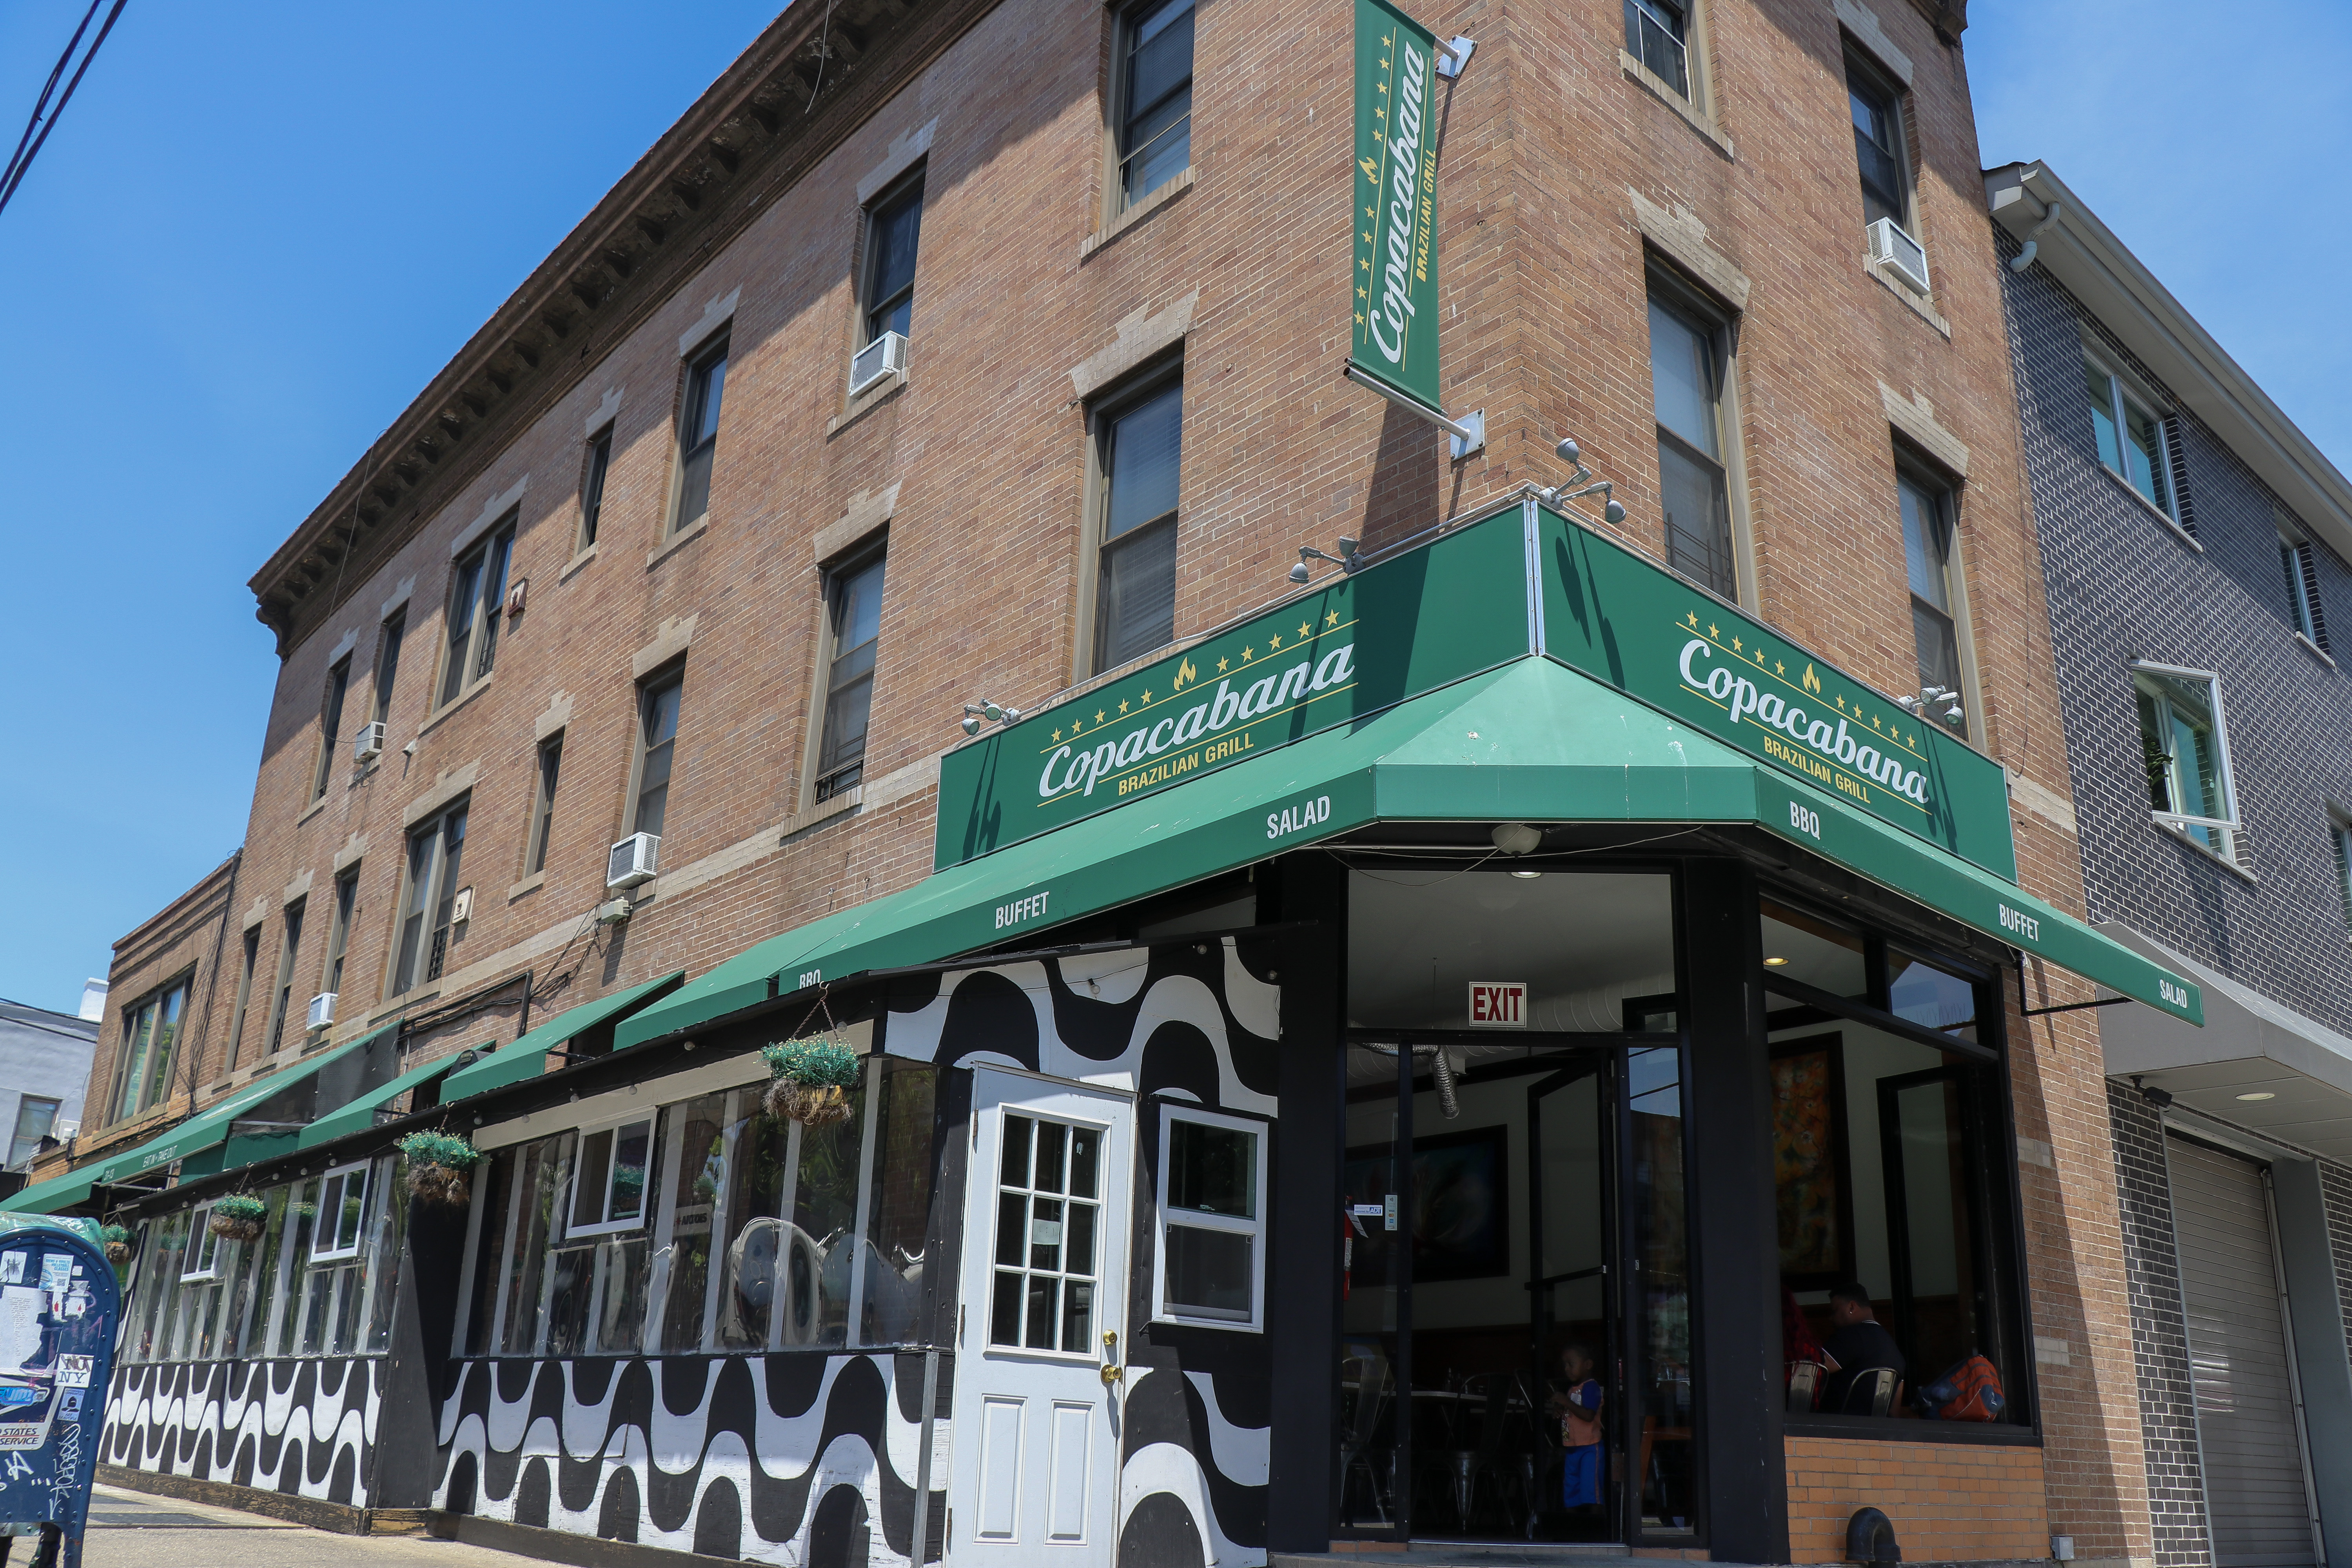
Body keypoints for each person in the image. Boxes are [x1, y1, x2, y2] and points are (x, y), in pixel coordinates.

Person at [1818, 1281, 1905, 1413]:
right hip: (1876, 1430)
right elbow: (1895, 1412)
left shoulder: (1852, 1335)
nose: (1831, 1318)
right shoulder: (1896, 1353)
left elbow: (1810, 1369)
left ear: (1852, 1307)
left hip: (1836, 1427)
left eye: (1835, 1311)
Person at [1549, 1343, 1604, 1515]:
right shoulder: (1573, 1389)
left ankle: (1596, 1526)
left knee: (1591, 1487)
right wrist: (1561, 1411)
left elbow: (1588, 1416)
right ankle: (1572, 1525)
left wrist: (1566, 1403)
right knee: (1571, 1486)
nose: (1567, 1369)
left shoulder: (1591, 1387)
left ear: (1588, 1365)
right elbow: (1572, 1411)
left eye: (1571, 1364)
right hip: (1572, 1447)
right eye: (1564, 1365)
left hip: (1590, 1446)